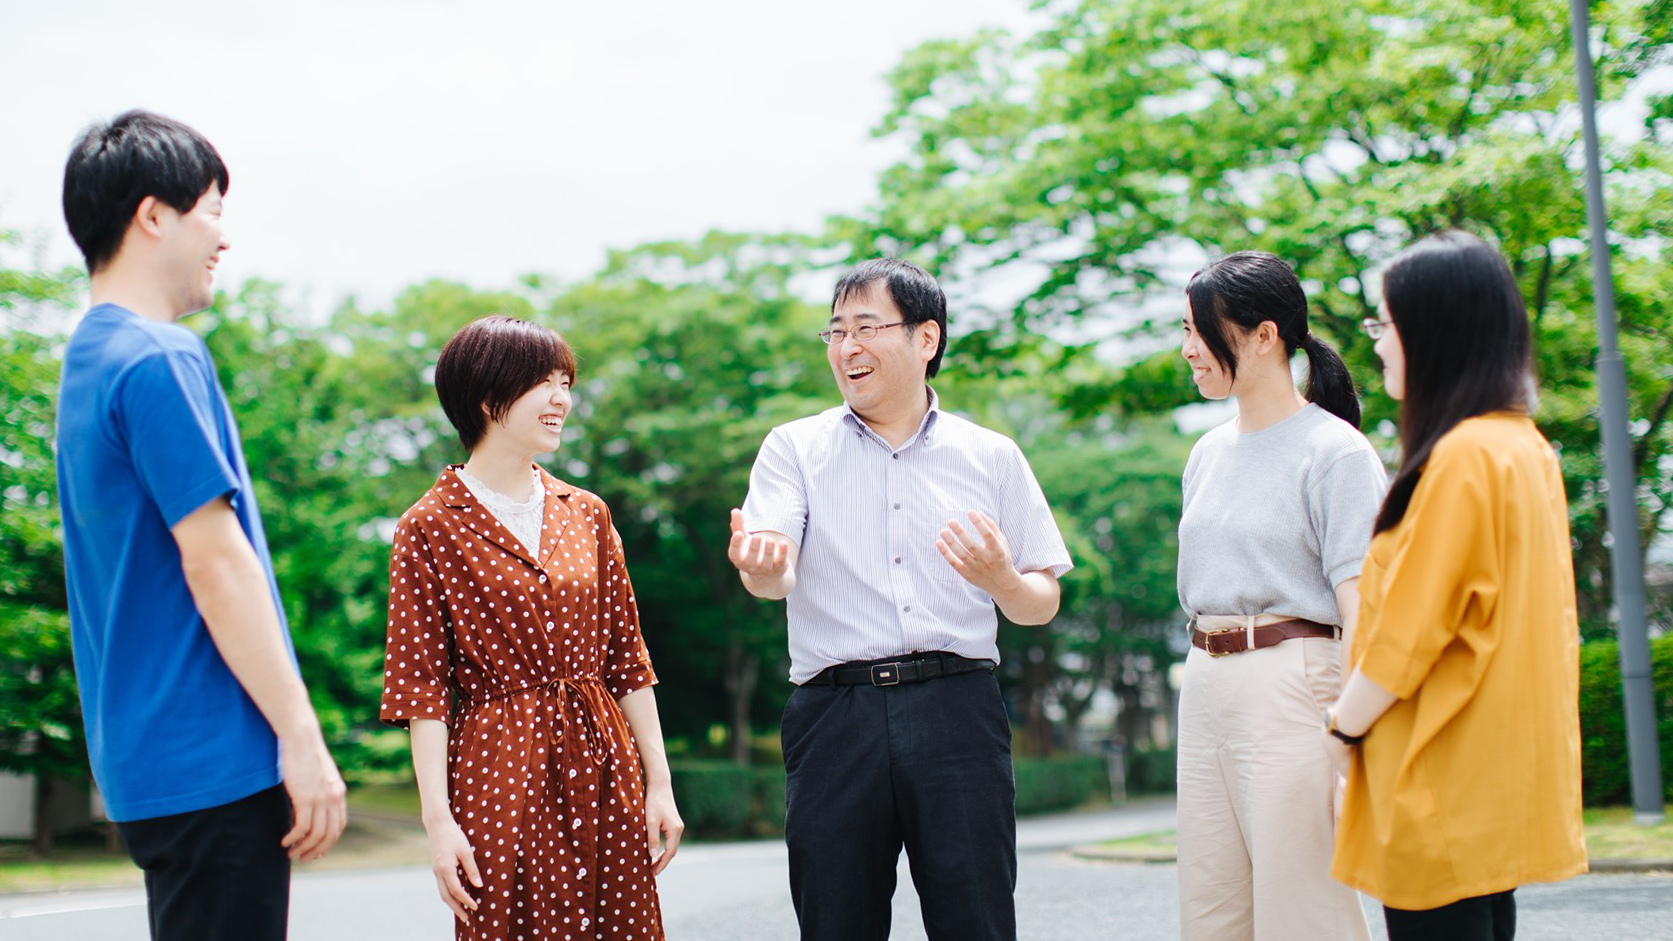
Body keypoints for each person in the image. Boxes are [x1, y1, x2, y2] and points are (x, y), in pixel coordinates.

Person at [55, 109, 346, 940]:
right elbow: (216, 563)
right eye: (212, 210)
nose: (224, 238)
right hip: (215, 756)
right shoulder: (159, 357)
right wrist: (300, 737)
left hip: (148, 756)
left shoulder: (90, 357)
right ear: (154, 215)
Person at [729, 258, 1072, 941]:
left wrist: (1001, 579)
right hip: (834, 714)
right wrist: (759, 568)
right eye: (834, 332)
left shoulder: (990, 455)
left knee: (975, 915)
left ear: (926, 339)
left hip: (956, 709)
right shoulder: (793, 447)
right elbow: (772, 572)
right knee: (835, 920)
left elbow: (1041, 599)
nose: (845, 347)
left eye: (865, 327)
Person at [380, 315, 683, 940]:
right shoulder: (430, 525)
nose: (562, 399)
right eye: (543, 383)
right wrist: (439, 822)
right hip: (498, 770)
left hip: (603, 762)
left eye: (565, 382)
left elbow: (627, 658)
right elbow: (421, 690)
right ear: (489, 399)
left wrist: (660, 781)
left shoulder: (588, 514)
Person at [1327, 231, 1587, 940]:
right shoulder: (1522, 447)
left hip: (1433, 775)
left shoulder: (1462, 457)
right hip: (1490, 782)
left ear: (1431, 330)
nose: (1377, 343)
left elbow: (1407, 633)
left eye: (1384, 322)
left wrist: (1341, 726)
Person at [1174, 251, 1383, 940]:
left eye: (1200, 330)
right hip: (1204, 681)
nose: (1187, 349)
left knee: (1304, 913)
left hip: (1293, 681)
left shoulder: (1335, 451)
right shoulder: (1205, 451)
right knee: (1210, 913)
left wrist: (1354, 736)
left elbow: (1363, 606)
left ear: (1264, 336)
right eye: (1183, 329)